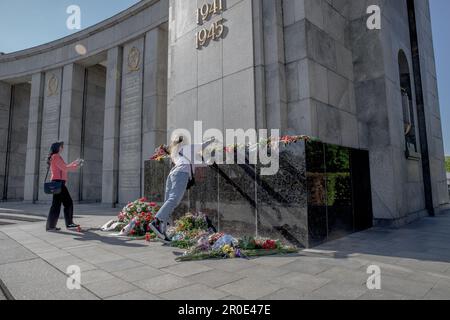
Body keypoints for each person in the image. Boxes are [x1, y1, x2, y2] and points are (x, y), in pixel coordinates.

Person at [149, 136, 215, 242]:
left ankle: (162, 230)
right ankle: (157, 221)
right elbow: (203, 145)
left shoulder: (175, 153)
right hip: (182, 172)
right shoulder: (188, 148)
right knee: (174, 199)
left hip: (172, 174)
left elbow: (202, 163)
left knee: (169, 202)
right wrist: (212, 140)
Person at [46, 141, 83, 232]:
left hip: (58, 183)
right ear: (58, 147)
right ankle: (69, 224)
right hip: (58, 183)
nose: (63, 148)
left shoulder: (56, 157)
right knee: (68, 203)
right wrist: (76, 167)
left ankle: (51, 226)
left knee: (56, 205)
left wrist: (74, 163)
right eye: (62, 146)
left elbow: (64, 166)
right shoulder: (55, 156)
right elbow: (65, 168)